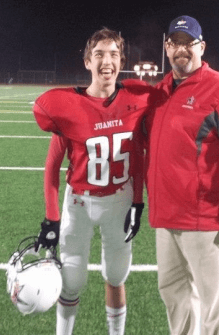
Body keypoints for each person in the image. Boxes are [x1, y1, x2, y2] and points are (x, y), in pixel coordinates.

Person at [145, 15, 219, 335]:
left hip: (207, 218)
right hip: (166, 218)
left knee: (216, 308)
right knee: (175, 297)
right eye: (174, 43)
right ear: (166, 48)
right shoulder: (162, 91)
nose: (181, 50)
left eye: (188, 43)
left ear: (202, 47)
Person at [33, 27, 152, 335]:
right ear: (87, 61)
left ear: (121, 60)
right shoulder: (68, 105)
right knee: (72, 280)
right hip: (79, 202)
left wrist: (137, 201)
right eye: (99, 54)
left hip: (120, 198)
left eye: (113, 54)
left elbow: (138, 158)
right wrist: (51, 219)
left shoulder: (136, 98)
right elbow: (51, 167)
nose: (106, 61)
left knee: (115, 275)